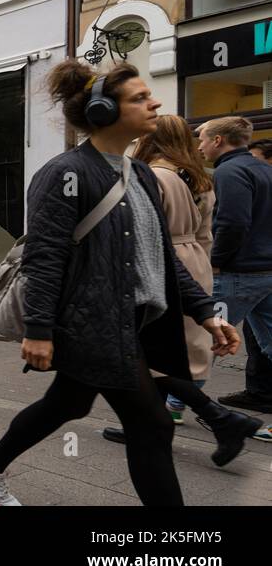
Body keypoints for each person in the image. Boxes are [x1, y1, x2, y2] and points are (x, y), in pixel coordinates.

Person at [0, 61, 240, 507]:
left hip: (134, 322)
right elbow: (45, 257)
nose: (156, 103)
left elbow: (163, 260)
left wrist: (205, 313)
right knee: (152, 425)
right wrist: (38, 330)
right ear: (104, 111)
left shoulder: (142, 173)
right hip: (91, 323)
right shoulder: (65, 173)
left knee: (67, 404)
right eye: (140, 98)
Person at [99, 115, 262, 463]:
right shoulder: (201, 178)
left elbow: (138, 231)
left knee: (142, 350)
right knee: (166, 351)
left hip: (160, 262)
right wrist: (205, 266)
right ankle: (158, 424)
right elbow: (207, 233)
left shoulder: (151, 175)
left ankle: (220, 420)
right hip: (194, 261)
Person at [198, 116, 272, 413]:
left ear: (218, 140)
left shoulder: (229, 171)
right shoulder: (264, 171)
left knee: (204, 342)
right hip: (266, 271)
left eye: (203, 138)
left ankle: (166, 410)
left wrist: (215, 262)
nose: (200, 146)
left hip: (237, 274)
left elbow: (232, 223)